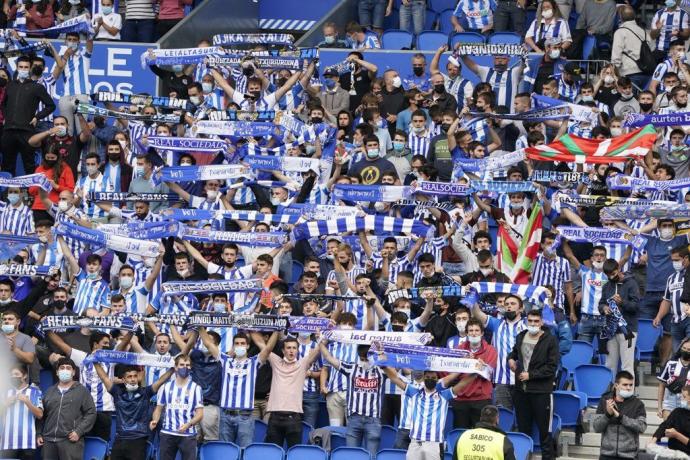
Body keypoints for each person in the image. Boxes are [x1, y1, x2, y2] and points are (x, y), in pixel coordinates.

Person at [507, 308, 560, 460]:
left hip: (541, 392)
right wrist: (510, 358)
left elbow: (551, 367)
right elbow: (514, 352)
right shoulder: (521, 336)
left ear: (542, 322)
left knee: (545, 432)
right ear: (526, 321)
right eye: (530, 321)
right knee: (523, 431)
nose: (533, 324)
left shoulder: (550, 340)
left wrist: (531, 375)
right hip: (521, 392)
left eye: (536, 321)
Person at [319, 340, 386, 456]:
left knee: (372, 456)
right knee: (352, 456)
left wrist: (380, 352)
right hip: (354, 419)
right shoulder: (351, 368)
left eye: (367, 359)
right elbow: (328, 358)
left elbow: (395, 366)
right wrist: (320, 342)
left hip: (373, 420)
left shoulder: (381, 371)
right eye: (362, 359)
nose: (364, 362)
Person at [93, 364, 173, 460]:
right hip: (120, 440)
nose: (133, 379)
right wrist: (95, 362)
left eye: (135, 376)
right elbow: (104, 377)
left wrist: (173, 369)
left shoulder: (145, 393)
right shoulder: (117, 392)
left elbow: (161, 381)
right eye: (129, 377)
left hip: (138, 440)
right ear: (123, 380)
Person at [0, 55, 56, 176]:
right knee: (6, 165)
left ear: (30, 68)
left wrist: (37, 117)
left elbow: (51, 106)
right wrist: (5, 117)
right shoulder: (10, 86)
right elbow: (3, 104)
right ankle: (5, 194)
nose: (23, 69)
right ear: (16, 68)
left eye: (26, 67)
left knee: (29, 164)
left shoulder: (37, 87)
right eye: (21, 67)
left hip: (27, 131)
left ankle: (30, 193)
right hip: (8, 131)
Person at [264, 336, 322, 448]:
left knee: (294, 453)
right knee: (273, 454)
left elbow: (319, 349)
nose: (291, 350)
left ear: (297, 350)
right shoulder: (276, 361)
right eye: (288, 347)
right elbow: (264, 347)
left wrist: (322, 336)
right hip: (275, 418)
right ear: (283, 350)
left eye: (294, 348)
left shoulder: (302, 364)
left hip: (294, 419)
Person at [39, 357, 96, 460]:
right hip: (48, 441)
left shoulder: (82, 391)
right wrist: (38, 433)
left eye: (68, 368)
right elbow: (40, 414)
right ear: (57, 372)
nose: (65, 370)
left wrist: (79, 431)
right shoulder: (49, 392)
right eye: (62, 368)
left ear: (73, 372)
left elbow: (91, 413)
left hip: (70, 442)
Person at [151, 354, 204, 460]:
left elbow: (200, 414)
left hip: (187, 435)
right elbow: (158, 408)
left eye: (187, 365)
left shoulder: (196, 388)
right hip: (167, 433)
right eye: (182, 364)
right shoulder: (165, 387)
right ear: (175, 367)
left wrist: (188, 424)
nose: (185, 367)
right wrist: (155, 420)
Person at [592, 370, 647, 460]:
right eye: (625, 385)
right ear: (616, 385)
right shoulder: (604, 400)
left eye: (631, 385)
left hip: (629, 456)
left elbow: (642, 427)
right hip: (606, 455)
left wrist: (621, 417)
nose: (629, 388)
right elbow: (596, 427)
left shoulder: (638, 404)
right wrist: (608, 415)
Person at [600, 258, 640, 378]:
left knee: (627, 365)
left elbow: (636, 306)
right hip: (611, 330)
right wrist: (604, 308)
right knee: (609, 365)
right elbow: (601, 303)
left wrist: (622, 302)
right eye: (607, 275)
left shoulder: (631, 283)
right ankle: (609, 394)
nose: (611, 277)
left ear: (618, 269)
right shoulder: (606, 286)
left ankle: (628, 395)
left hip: (627, 329)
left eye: (613, 274)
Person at [0, 363, 43, 460]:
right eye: (11, 375)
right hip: (7, 442)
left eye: (16, 374)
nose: (13, 377)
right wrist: (5, 404)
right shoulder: (5, 393)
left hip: (27, 442)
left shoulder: (35, 392)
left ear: (24, 375)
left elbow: (40, 415)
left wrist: (28, 402)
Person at [650, 384, 690, 455]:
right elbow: (664, 426)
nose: (681, 399)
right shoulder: (677, 411)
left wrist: (677, 435)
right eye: (681, 396)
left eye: (684, 397)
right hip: (673, 453)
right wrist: (653, 441)